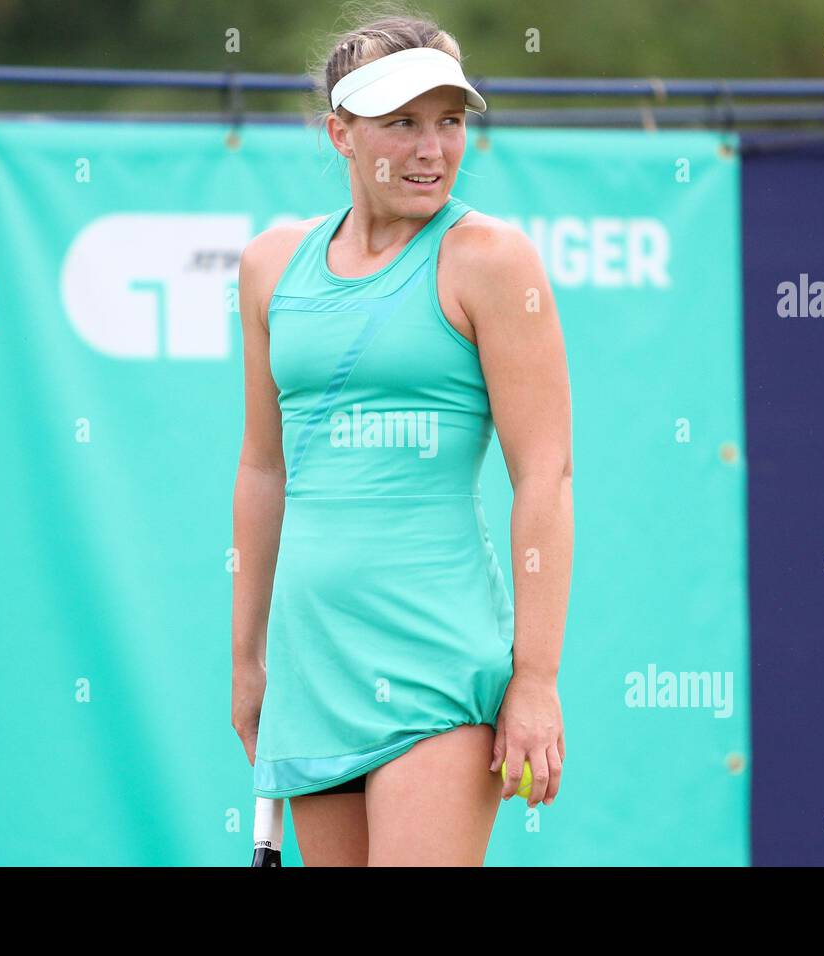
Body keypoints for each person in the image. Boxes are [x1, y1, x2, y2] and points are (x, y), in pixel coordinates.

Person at [231, 11, 573, 866]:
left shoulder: (491, 261)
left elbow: (546, 476)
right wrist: (248, 661)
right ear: (340, 133)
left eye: (450, 121)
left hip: (439, 667)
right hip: (313, 669)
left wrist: (535, 679)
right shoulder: (270, 265)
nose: (433, 149)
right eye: (403, 123)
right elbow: (262, 468)